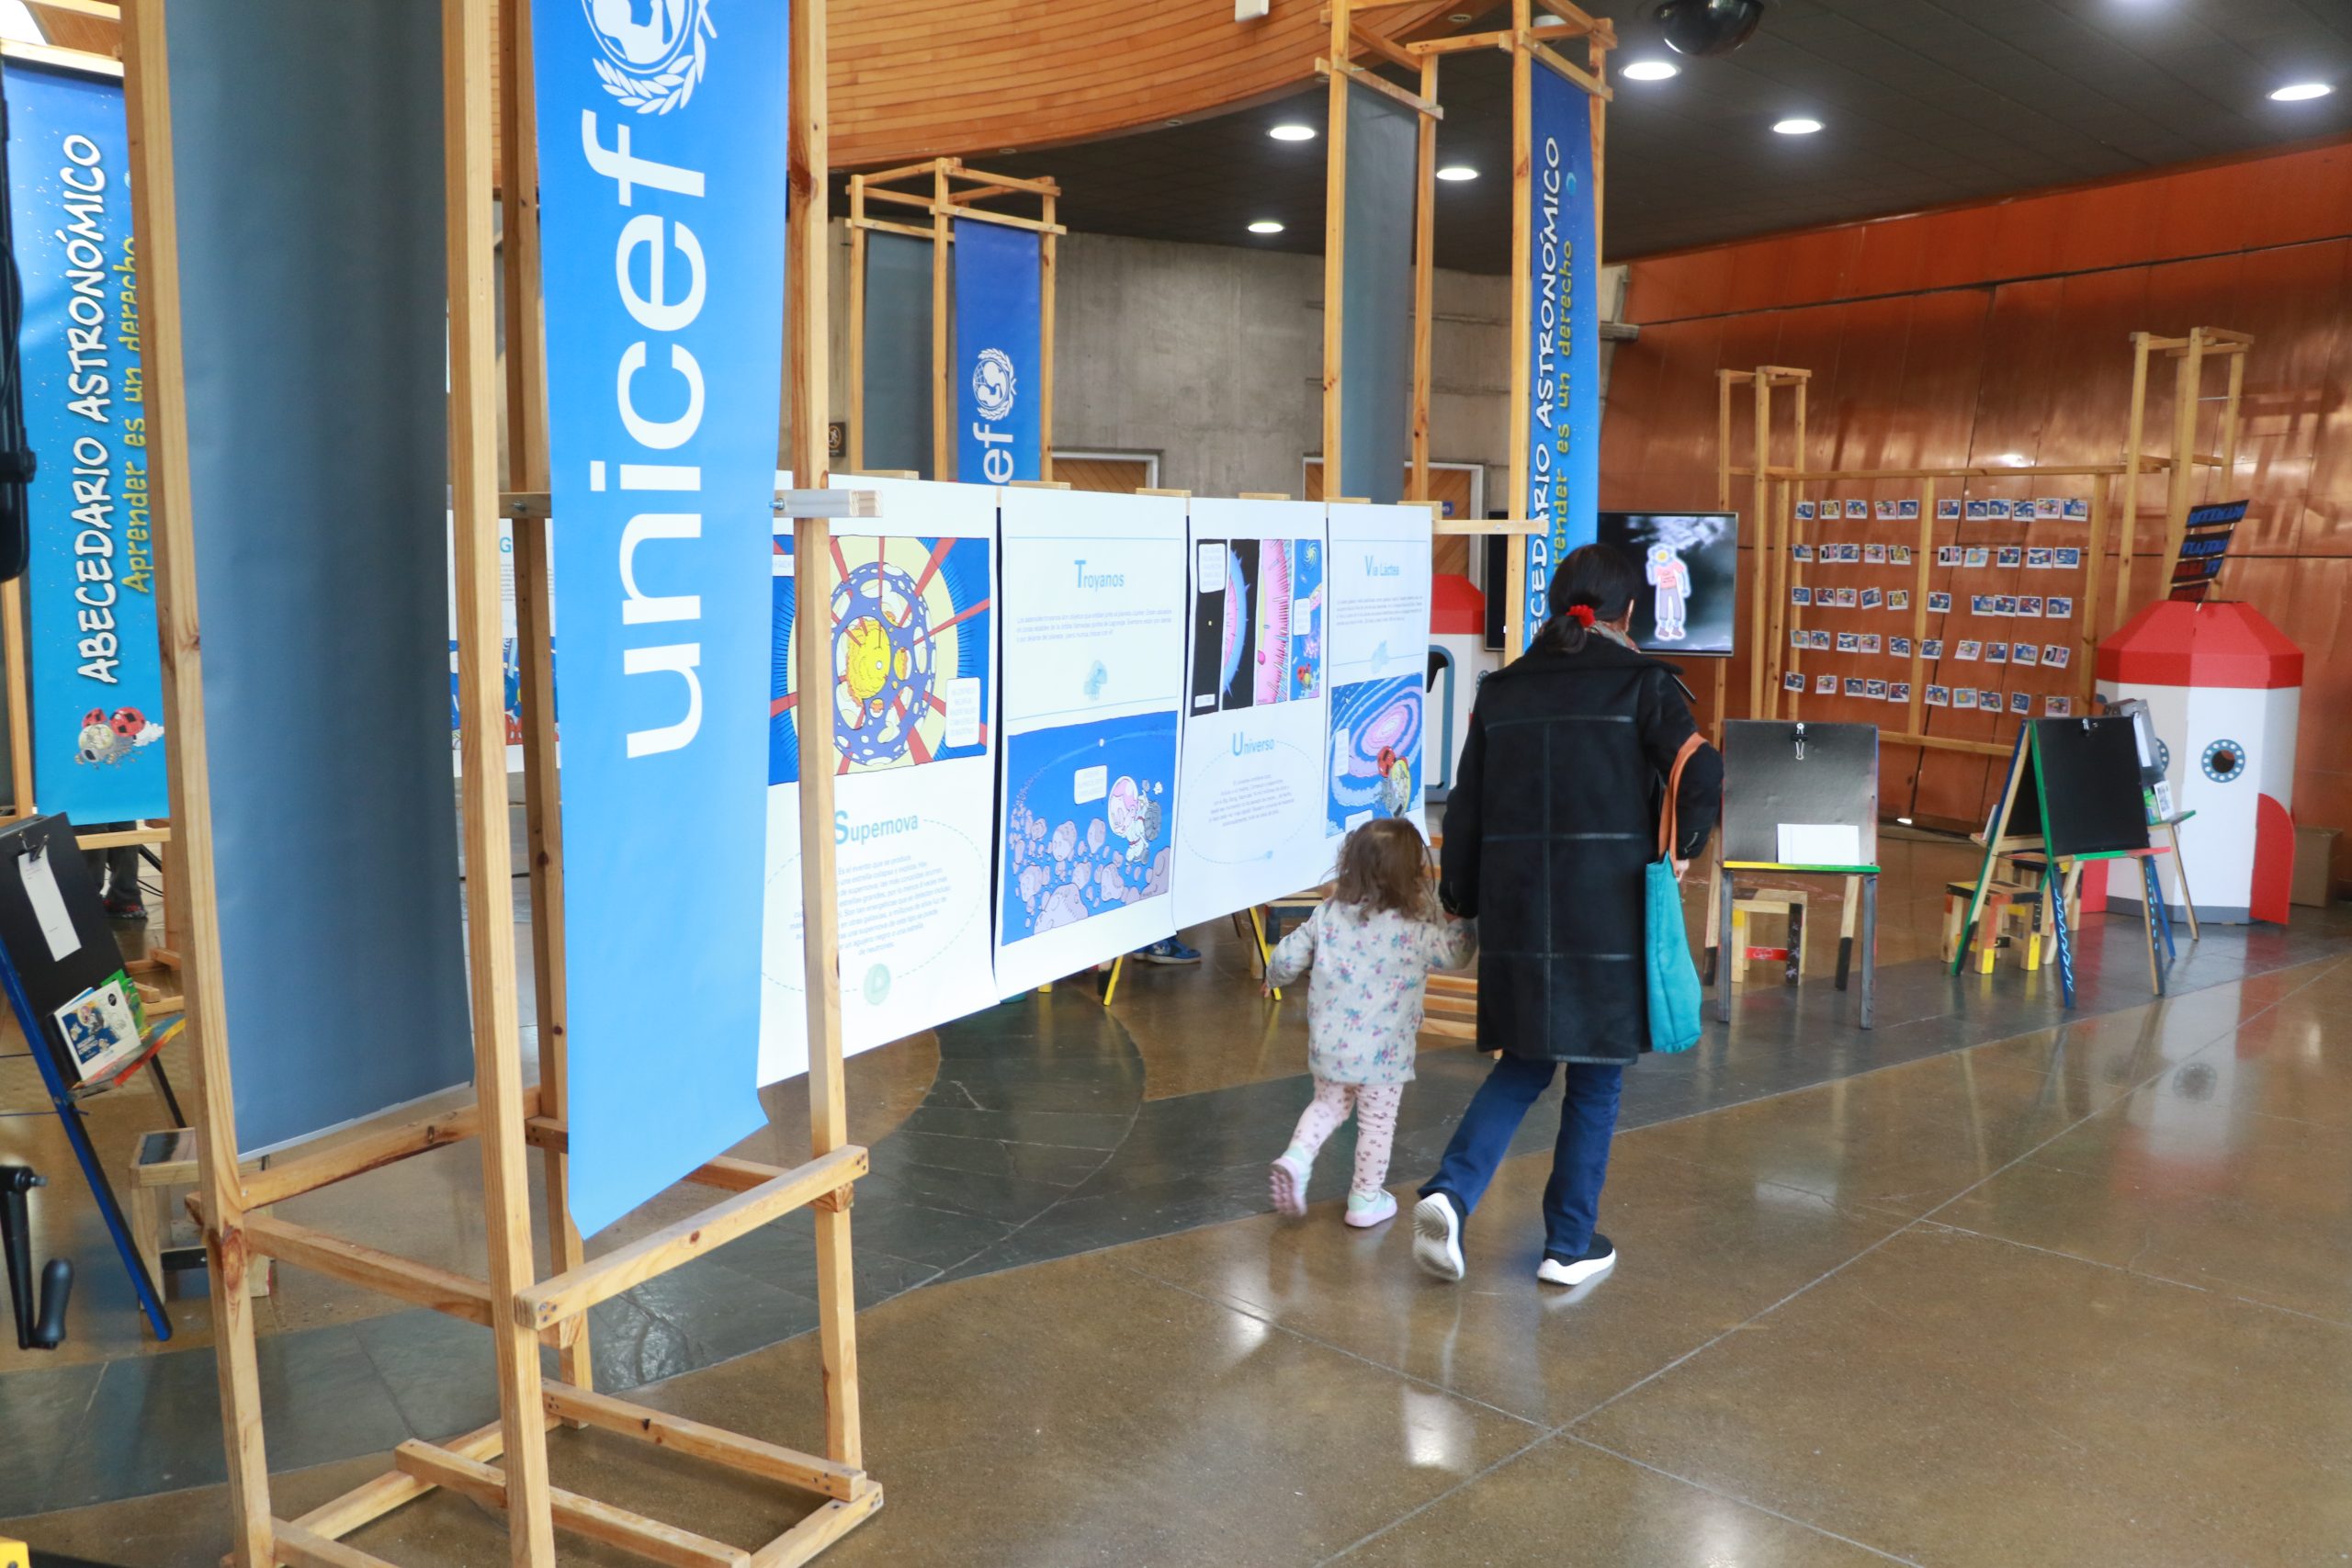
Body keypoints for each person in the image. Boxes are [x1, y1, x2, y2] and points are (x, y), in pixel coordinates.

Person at [1412, 542, 1722, 1288]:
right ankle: (1568, 1243)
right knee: (1596, 1078)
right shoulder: (1643, 685)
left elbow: (1468, 805)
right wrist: (1680, 850)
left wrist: (1460, 900)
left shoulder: (1503, 689)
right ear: (1629, 611)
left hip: (1520, 908)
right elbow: (1703, 768)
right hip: (1607, 910)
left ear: (1555, 604)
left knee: (1523, 1062)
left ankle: (1451, 1192)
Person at [1264, 818, 1476, 1228]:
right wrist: (1467, 918)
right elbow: (1455, 953)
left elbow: (1287, 959)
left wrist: (1271, 978)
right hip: (1384, 1056)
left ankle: (1297, 1157)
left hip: (1329, 1046)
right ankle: (1364, 1198)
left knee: (1327, 1106)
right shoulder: (1417, 925)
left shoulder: (1329, 912)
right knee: (1376, 1123)